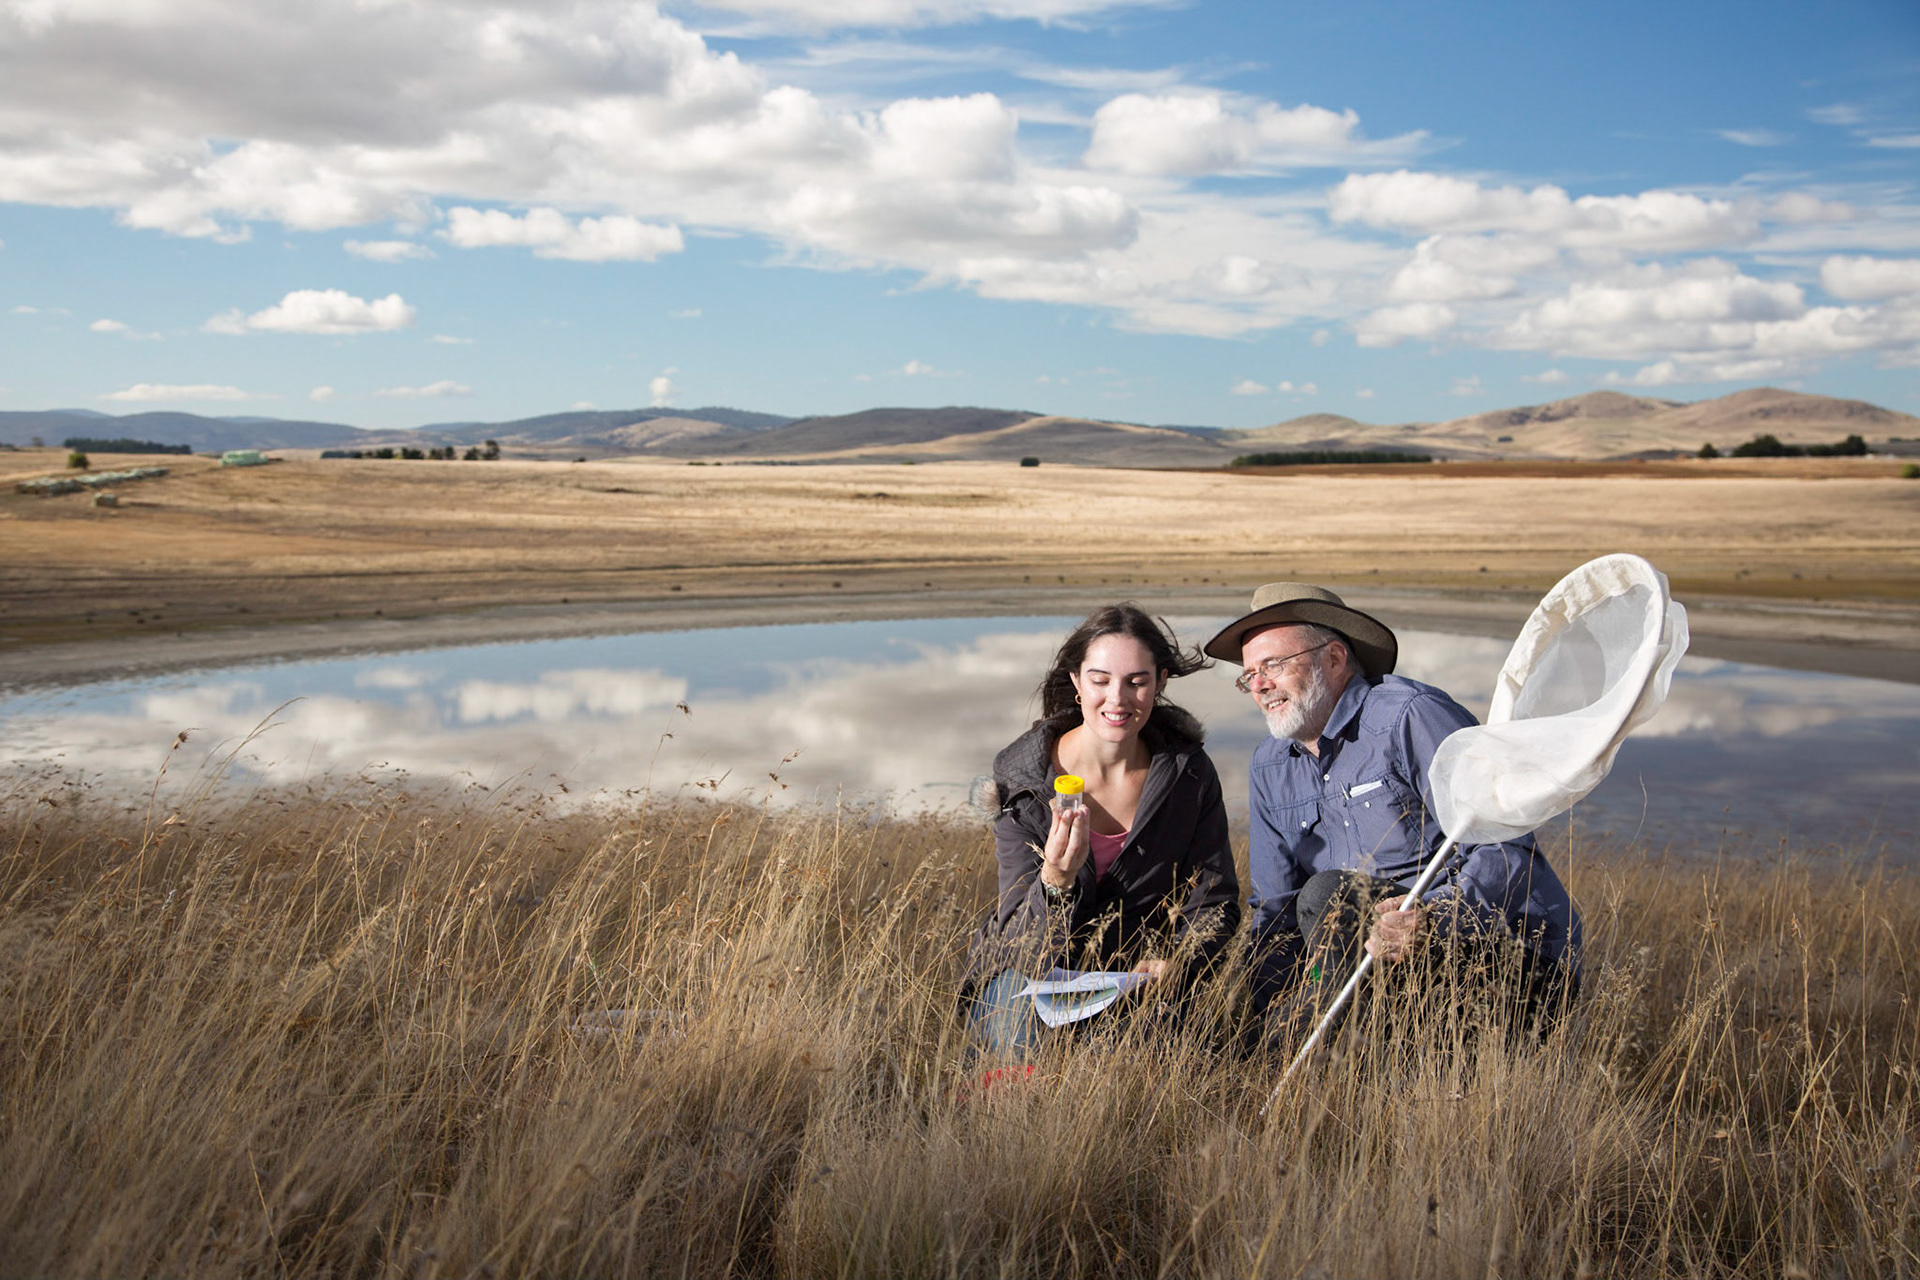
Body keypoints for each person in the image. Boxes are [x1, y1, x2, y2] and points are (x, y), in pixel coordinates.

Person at [1200, 583, 1582, 1050]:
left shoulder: (1411, 716)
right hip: (1369, 970)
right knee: (1239, 1025)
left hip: (1510, 961)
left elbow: (1505, 847)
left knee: (1330, 895)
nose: (1259, 685)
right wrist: (1250, 1011)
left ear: (1334, 659)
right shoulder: (1270, 764)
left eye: (1273, 665)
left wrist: (1431, 916)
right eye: (1249, 675)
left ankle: (1329, 1052)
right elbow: (1276, 907)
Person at [965, 604, 1242, 1057]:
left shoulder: (1187, 773)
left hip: (1139, 980)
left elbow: (1212, 901)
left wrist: (1180, 961)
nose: (1118, 699)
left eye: (1137, 682)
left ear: (1161, 682)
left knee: (1154, 1063)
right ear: (1076, 681)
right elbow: (1019, 942)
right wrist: (1056, 880)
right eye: (1100, 680)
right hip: (1029, 977)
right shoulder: (1022, 781)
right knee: (1016, 1042)